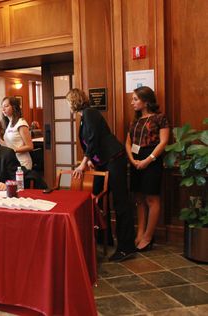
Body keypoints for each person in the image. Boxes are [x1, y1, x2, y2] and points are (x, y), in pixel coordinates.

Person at [66, 89, 136, 262]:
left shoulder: (89, 113)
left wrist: (83, 163)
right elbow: (94, 143)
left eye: (68, 101)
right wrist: (93, 160)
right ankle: (104, 239)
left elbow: (92, 140)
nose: (67, 105)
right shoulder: (85, 115)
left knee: (120, 202)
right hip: (104, 161)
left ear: (73, 102)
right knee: (93, 197)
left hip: (114, 159)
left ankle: (126, 248)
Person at [125, 86, 169, 252]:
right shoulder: (134, 121)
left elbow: (163, 142)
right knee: (139, 198)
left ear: (146, 101)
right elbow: (128, 143)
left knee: (152, 199)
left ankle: (148, 237)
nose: (132, 102)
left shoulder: (160, 118)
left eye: (135, 99)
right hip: (136, 161)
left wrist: (148, 160)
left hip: (153, 160)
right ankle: (140, 233)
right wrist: (132, 160)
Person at [1, 96, 34, 170]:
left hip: (22, 162)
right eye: (2, 107)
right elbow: (10, 145)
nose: (3, 109)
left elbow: (30, 146)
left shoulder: (21, 123)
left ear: (14, 107)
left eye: (6, 106)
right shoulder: (9, 123)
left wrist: (13, 150)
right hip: (12, 161)